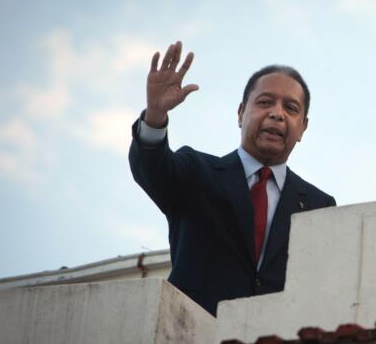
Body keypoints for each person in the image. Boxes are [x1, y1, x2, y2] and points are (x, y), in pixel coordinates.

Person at [129, 41, 336, 315]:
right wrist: (155, 116)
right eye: (265, 102)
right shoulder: (197, 172)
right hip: (191, 340)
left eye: (291, 108)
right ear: (240, 114)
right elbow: (152, 168)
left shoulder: (319, 206)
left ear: (303, 128)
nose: (277, 113)